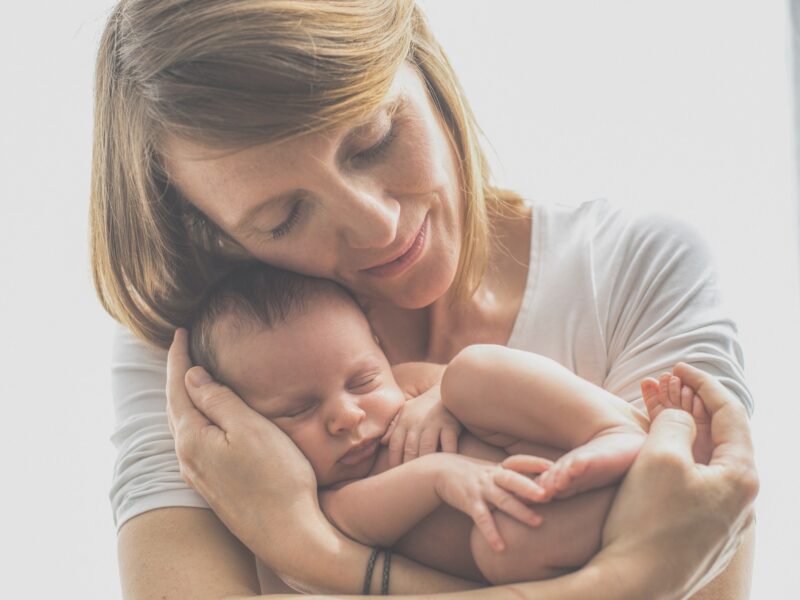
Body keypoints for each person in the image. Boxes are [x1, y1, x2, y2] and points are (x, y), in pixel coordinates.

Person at [92, 0, 757, 597]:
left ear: (425, 64)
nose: (377, 223)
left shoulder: (629, 270)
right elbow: (664, 558)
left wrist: (313, 551)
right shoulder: (208, 358)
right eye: (283, 218)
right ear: (211, 231)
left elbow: (700, 548)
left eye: (376, 138)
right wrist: (630, 577)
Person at [186, 263, 657, 583]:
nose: (347, 415)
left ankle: (611, 431)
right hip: (547, 520)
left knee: (471, 373)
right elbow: (357, 523)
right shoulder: (321, 501)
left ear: (380, 349)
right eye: (298, 410)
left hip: (558, 450)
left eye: (364, 379)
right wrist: (438, 475)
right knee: (504, 548)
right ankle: (626, 495)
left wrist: (439, 399)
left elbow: (476, 391)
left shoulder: (407, 383)